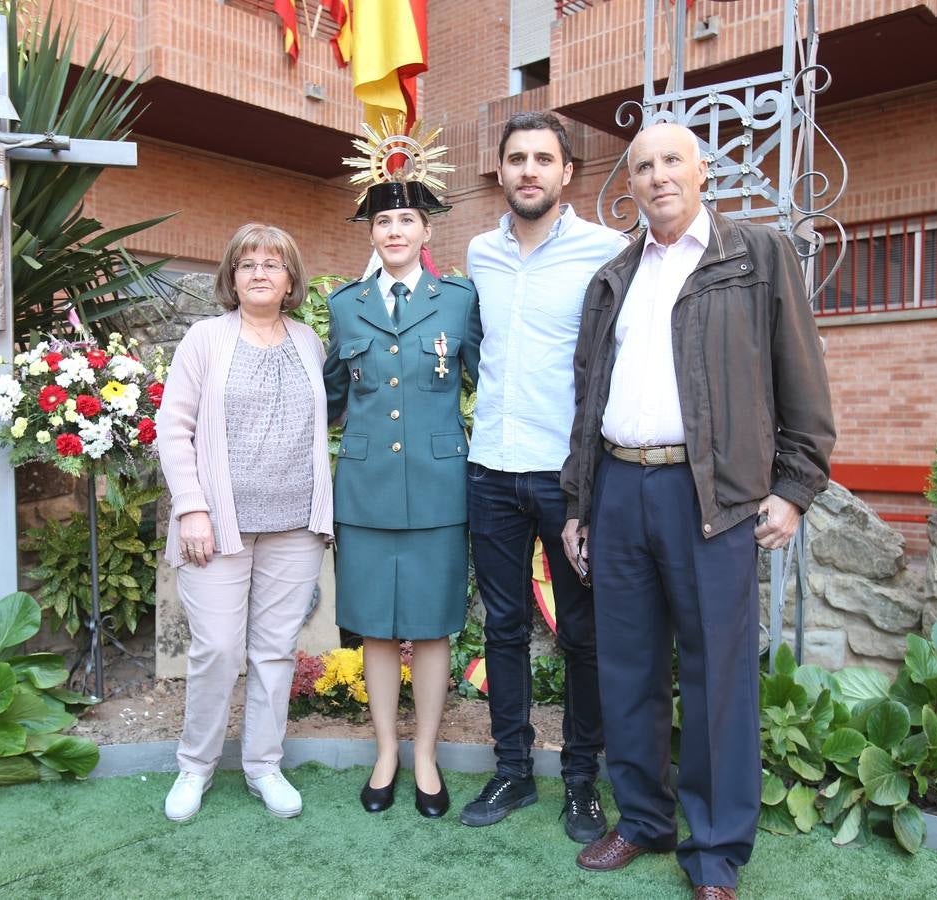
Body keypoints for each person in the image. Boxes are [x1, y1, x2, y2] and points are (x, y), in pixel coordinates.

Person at [561, 123, 835, 899]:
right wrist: (581, 500)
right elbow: (588, 399)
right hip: (618, 488)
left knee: (717, 677)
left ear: (702, 170)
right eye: (642, 166)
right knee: (628, 669)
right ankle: (643, 819)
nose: (656, 177)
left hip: (709, 495)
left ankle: (715, 853)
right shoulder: (615, 273)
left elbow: (803, 382)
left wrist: (794, 486)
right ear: (632, 183)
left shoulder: (755, 256)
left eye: (671, 161)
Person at [460, 112, 628, 841]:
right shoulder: (478, 253)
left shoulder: (606, 251)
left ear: (567, 173)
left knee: (581, 633)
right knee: (502, 626)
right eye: (515, 158)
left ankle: (582, 781)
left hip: (567, 476)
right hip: (490, 470)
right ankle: (513, 770)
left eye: (543, 159)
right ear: (500, 171)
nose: (528, 170)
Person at [155, 223, 333, 822]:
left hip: (295, 524)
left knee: (276, 650)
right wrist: (193, 508)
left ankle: (263, 765)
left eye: (273, 264)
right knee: (216, 649)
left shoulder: (309, 342)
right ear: (232, 277)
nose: (260, 272)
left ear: (290, 281)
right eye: (248, 263)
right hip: (219, 525)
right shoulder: (205, 339)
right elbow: (172, 428)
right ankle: (194, 767)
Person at [324, 151, 481, 819]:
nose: (394, 231)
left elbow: (488, 384)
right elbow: (329, 397)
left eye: (406, 219)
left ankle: (426, 755)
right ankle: (387, 750)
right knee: (378, 631)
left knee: (433, 627)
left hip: (440, 490)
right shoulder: (345, 306)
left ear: (426, 232)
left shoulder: (460, 301)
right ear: (371, 234)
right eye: (383, 220)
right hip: (365, 491)